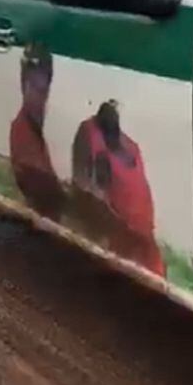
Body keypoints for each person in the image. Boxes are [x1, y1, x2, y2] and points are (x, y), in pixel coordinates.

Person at [71, 100, 165, 276]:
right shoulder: (128, 148)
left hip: (126, 225)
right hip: (136, 224)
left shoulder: (108, 150)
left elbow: (91, 189)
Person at [9, 43, 66, 221]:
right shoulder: (22, 134)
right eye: (36, 89)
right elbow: (42, 196)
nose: (42, 97)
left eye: (45, 90)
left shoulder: (33, 129)